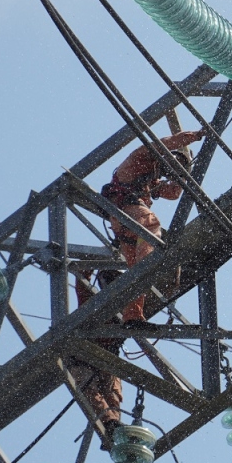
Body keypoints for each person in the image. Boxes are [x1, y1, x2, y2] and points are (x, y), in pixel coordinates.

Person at [101, 129, 205, 326]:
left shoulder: (152, 178)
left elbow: (173, 192)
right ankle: (148, 262)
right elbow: (168, 142)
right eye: (175, 162)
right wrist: (197, 135)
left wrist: (184, 173)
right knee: (151, 227)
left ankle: (133, 316)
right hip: (129, 213)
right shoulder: (143, 156)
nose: (173, 168)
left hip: (125, 224)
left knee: (136, 272)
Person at [70, 269, 126, 442]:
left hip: (106, 359)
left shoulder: (127, 306)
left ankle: (113, 426)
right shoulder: (93, 302)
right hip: (82, 358)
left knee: (112, 394)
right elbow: (81, 286)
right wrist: (87, 267)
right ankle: (110, 423)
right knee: (90, 389)